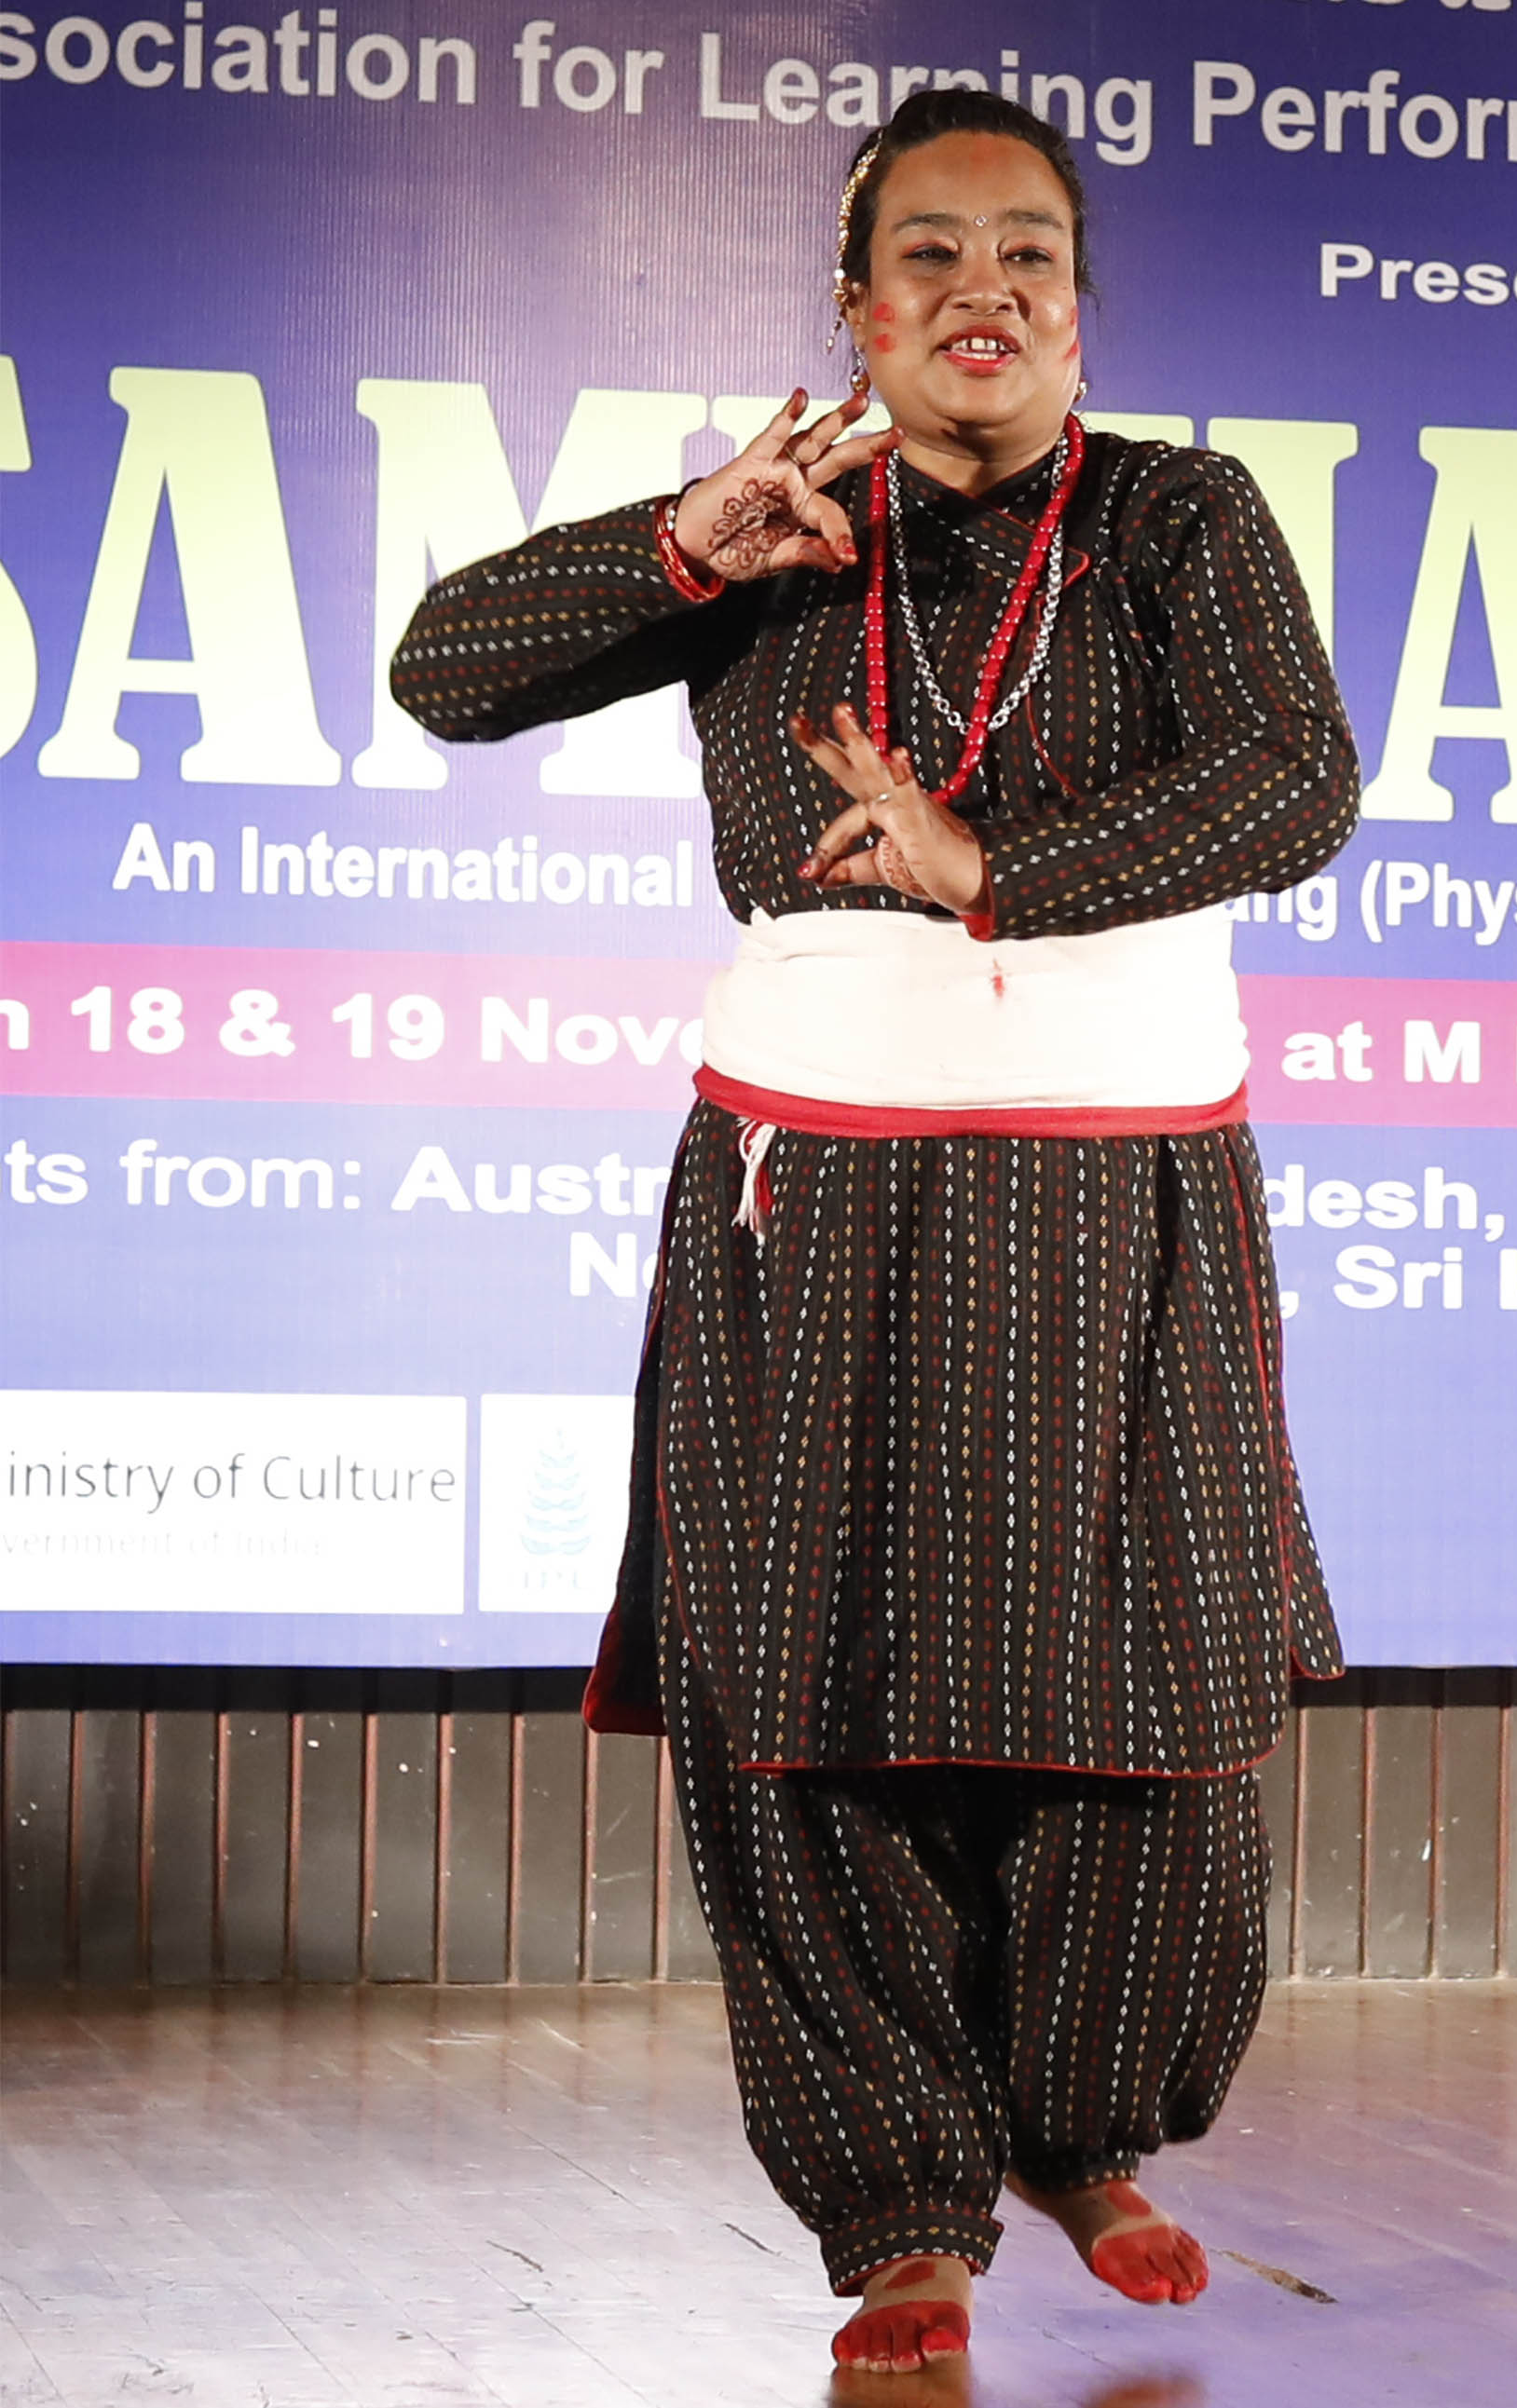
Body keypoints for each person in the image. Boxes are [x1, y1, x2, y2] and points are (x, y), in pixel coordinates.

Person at [391, 88, 1358, 2379]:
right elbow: (447, 673)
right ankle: (903, 2209)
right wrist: (678, 549)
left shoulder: (1177, 517)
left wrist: (992, 865)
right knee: (805, 1697)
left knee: (1149, 1674)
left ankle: (1079, 2131)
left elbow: (1294, 778)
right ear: (858, 306)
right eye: (928, 252)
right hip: (808, 1190)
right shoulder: (777, 531)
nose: (980, 286)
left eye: (1026, 249)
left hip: (1117, 1187)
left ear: (1077, 306)